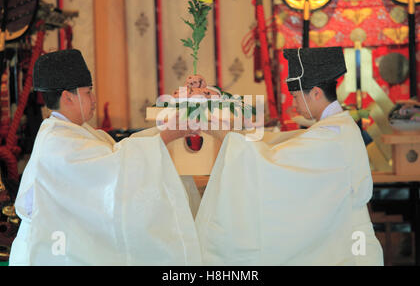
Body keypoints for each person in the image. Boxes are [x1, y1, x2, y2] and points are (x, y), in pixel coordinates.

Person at [9, 49, 202, 265]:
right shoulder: (57, 141)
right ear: (67, 97)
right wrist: (167, 135)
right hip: (50, 247)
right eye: (88, 92)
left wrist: (164, 132)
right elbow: (113, 167)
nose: (93, 99)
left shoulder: (69, 130)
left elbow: (116, 152)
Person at [195, 46, 384, 265]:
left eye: (295, 97)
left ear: (315, 92)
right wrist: (230, 132)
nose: (294, 104)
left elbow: (271, 161)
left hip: (347, 240)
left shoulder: (333, 135)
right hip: (344, 230)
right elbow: (277, 143)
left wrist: (223, 134)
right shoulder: (337, 127)